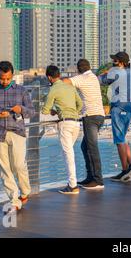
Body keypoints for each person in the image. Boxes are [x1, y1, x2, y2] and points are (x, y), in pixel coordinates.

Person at [0, 61, 35, 213]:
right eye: (2, 78)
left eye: (8, 78)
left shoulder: (22, 91)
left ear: (12, 76)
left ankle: (25, 191)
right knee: (4, 169)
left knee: (18, 165)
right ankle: (14, 199)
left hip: (17, 132)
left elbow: (31, 112)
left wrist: (21, 109)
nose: (5, 81)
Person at [63, 59, 106, 190]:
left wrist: (55, 80)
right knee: (84, 146)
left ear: (78, 69)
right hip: (99, 115)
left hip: (91, 116)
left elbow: (66, 82)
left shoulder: (82, 78)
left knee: (92, 148)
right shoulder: (93, 77)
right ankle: (90, 177)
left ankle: (98, 180)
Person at [42, 65, 84, 195]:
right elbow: (80, 104)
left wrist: (55, 110)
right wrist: (73, 113)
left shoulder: (53, 89)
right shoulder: (70, 87)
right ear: (59, 75)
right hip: (76, 123)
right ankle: (71, 183)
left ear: (49, 77)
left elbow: (45, 110)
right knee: (69, 154)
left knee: (68, 155)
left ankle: (72, 186)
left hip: (65, 124)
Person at [98, 52, 131, 183]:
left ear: (120, 62)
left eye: (114, 60)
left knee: (119, 140)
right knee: (124, 137)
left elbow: (101, 81)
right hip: (129, 106)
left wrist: (104, 72)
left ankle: (125, 171)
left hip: (118, 107)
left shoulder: (115, 72)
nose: (112, 61)